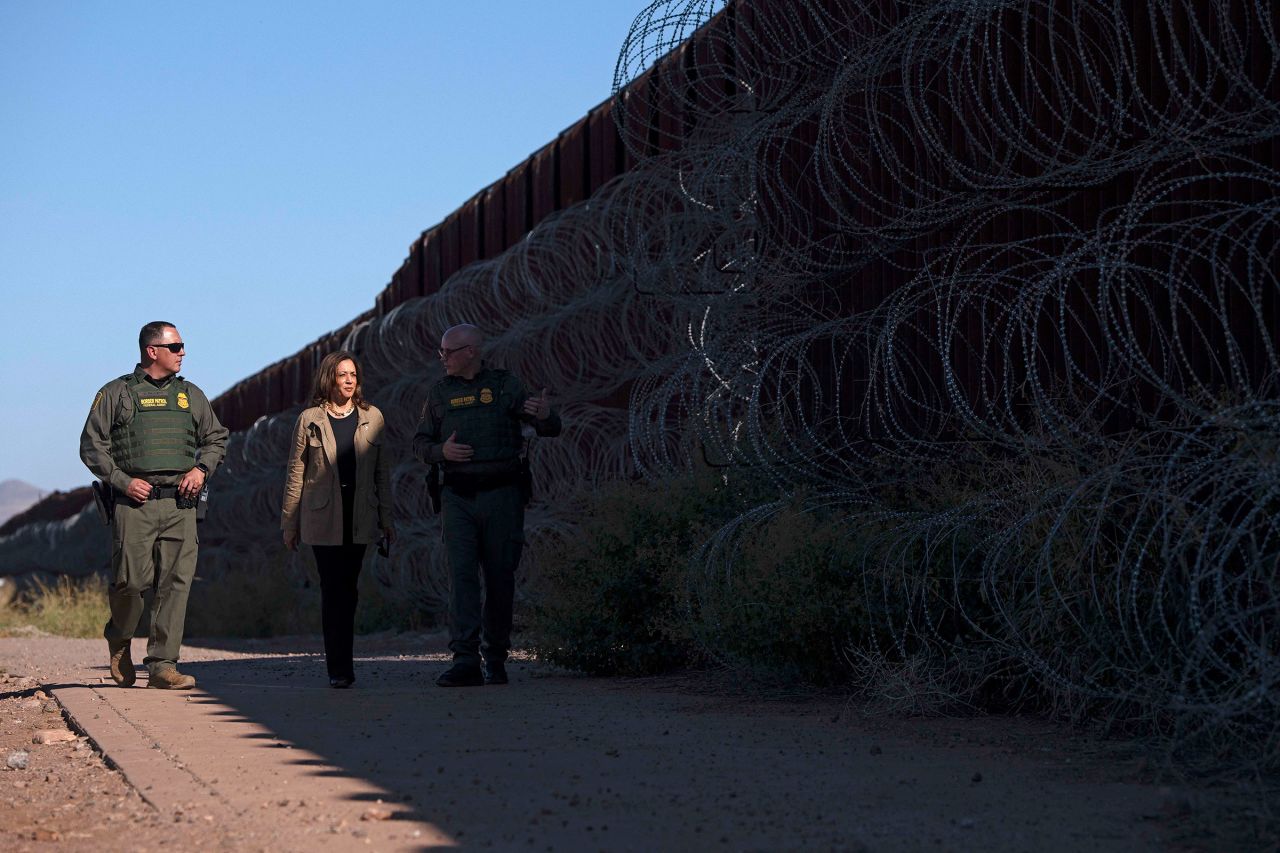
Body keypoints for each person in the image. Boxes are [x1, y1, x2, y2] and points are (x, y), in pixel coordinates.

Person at [80, 322, 229, 690]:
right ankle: (119, 637)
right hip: (135, 505)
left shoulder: (190, 395)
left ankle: (163, 664)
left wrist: (201, 468)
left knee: (175, 583)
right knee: (131, 582)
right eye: (175, 346)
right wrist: (122, 480)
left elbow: (217, 438)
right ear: (152, 351)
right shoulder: (117, 394)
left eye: (182, 346)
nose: (182, 352)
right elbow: (91, 445)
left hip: (180, 504)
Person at [413, 323, 561, 687]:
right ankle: (465, 660)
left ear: (471, 352)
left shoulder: (504, 387)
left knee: (499, 578)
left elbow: (550, 427)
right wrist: (440, 452)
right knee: (462, 579)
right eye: (441, 352)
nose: (442, 358)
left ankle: (496, 658)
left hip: (502, 496)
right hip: (458, 497)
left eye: (448, 352)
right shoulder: (439, 394)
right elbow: (419, 443)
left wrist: (544, 416)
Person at [280, 351, 395, 688]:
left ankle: (345, 661)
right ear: (328, 378)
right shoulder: (309, 419)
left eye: (353, 374)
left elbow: (382, 474)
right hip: (322, 516)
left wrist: (387, 519)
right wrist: (290, 523)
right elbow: (295, 473)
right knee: (332, 591)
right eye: (342, 374)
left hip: (360, 515)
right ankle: (339, 670)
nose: (349, 380)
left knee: (351, 591)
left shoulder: (373, 417)